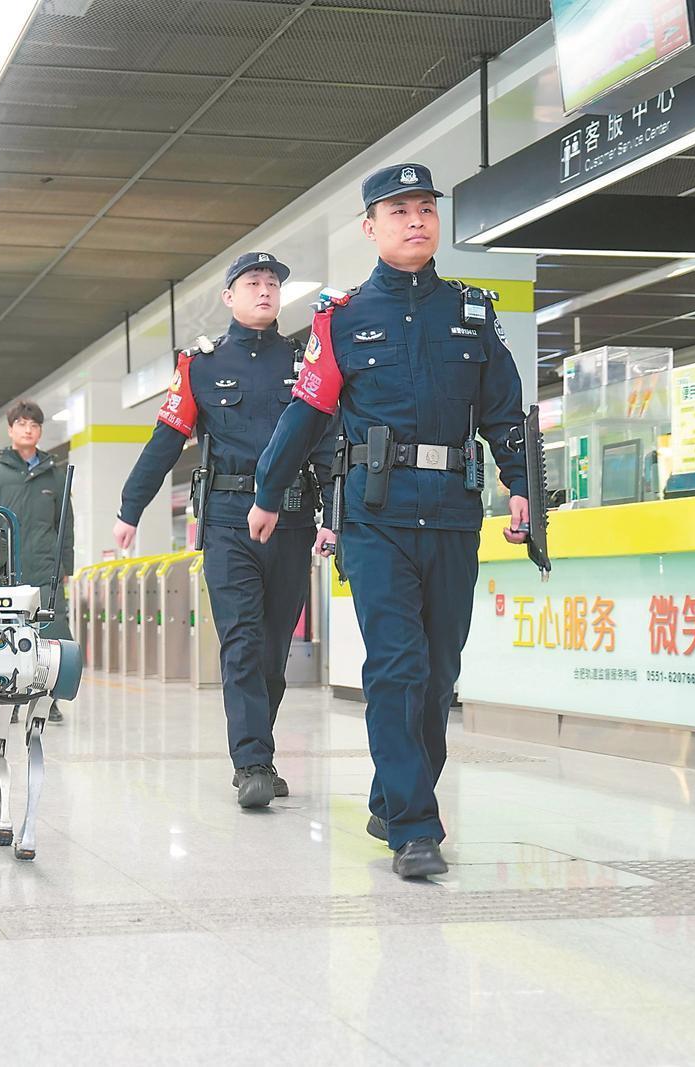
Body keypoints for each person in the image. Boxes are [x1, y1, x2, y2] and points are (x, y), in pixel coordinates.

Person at [249, 164, 531, 878]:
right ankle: (413, 826)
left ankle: (391, 796)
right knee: (398, 666)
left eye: (425, 208)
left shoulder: (472, 312)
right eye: (398, 210)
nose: (415, 220)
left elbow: (503, 412)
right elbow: (306, 411)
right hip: (375, 517)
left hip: (454, 515)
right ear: (369, 227)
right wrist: (267, 492)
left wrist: (523, 485)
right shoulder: (342, 318)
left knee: (439, 672)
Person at [114, 251, 338, 810]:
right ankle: (252, 763)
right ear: (229, 296)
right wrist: (129, 509)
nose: (265, 291)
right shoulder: (200, 365)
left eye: (272, 284)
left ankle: (259, 750)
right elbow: (165, 442)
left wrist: (333, 517)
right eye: (253, 282)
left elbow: (327, 445)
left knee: (274, 648)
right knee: (241, 640)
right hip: (226, 522)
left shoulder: (306, 362)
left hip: (292, 520)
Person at [0, 400, 76, 723]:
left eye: (34, 425)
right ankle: (10, 698)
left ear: (40, 431)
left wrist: (66, 567)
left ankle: (47, 701)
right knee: (7, 636)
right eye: (21, 424)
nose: (28, 430)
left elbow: (65, 525)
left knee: (52, 636)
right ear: (10, 430)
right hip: (6, 574)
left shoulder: (55, 477)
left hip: (45, 570)